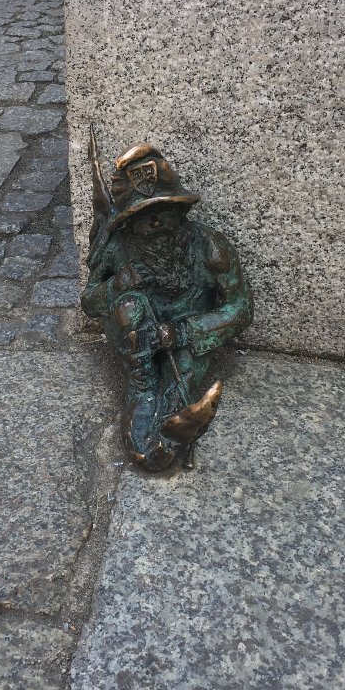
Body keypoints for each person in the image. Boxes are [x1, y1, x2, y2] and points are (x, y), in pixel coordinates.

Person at [82, 138, 253, 471]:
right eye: (144, 215)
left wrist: (184, 332)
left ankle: (166, 438)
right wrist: (118, 284)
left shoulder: (209, 246)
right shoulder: (118, 248)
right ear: (129, 222)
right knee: (130, 308)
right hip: (138, 346)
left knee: (182, 377)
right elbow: (89, 302)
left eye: (163, 210)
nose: (156, 222)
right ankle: (143, 394)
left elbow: (241, 308)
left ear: (180, 209)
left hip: (188, 337)